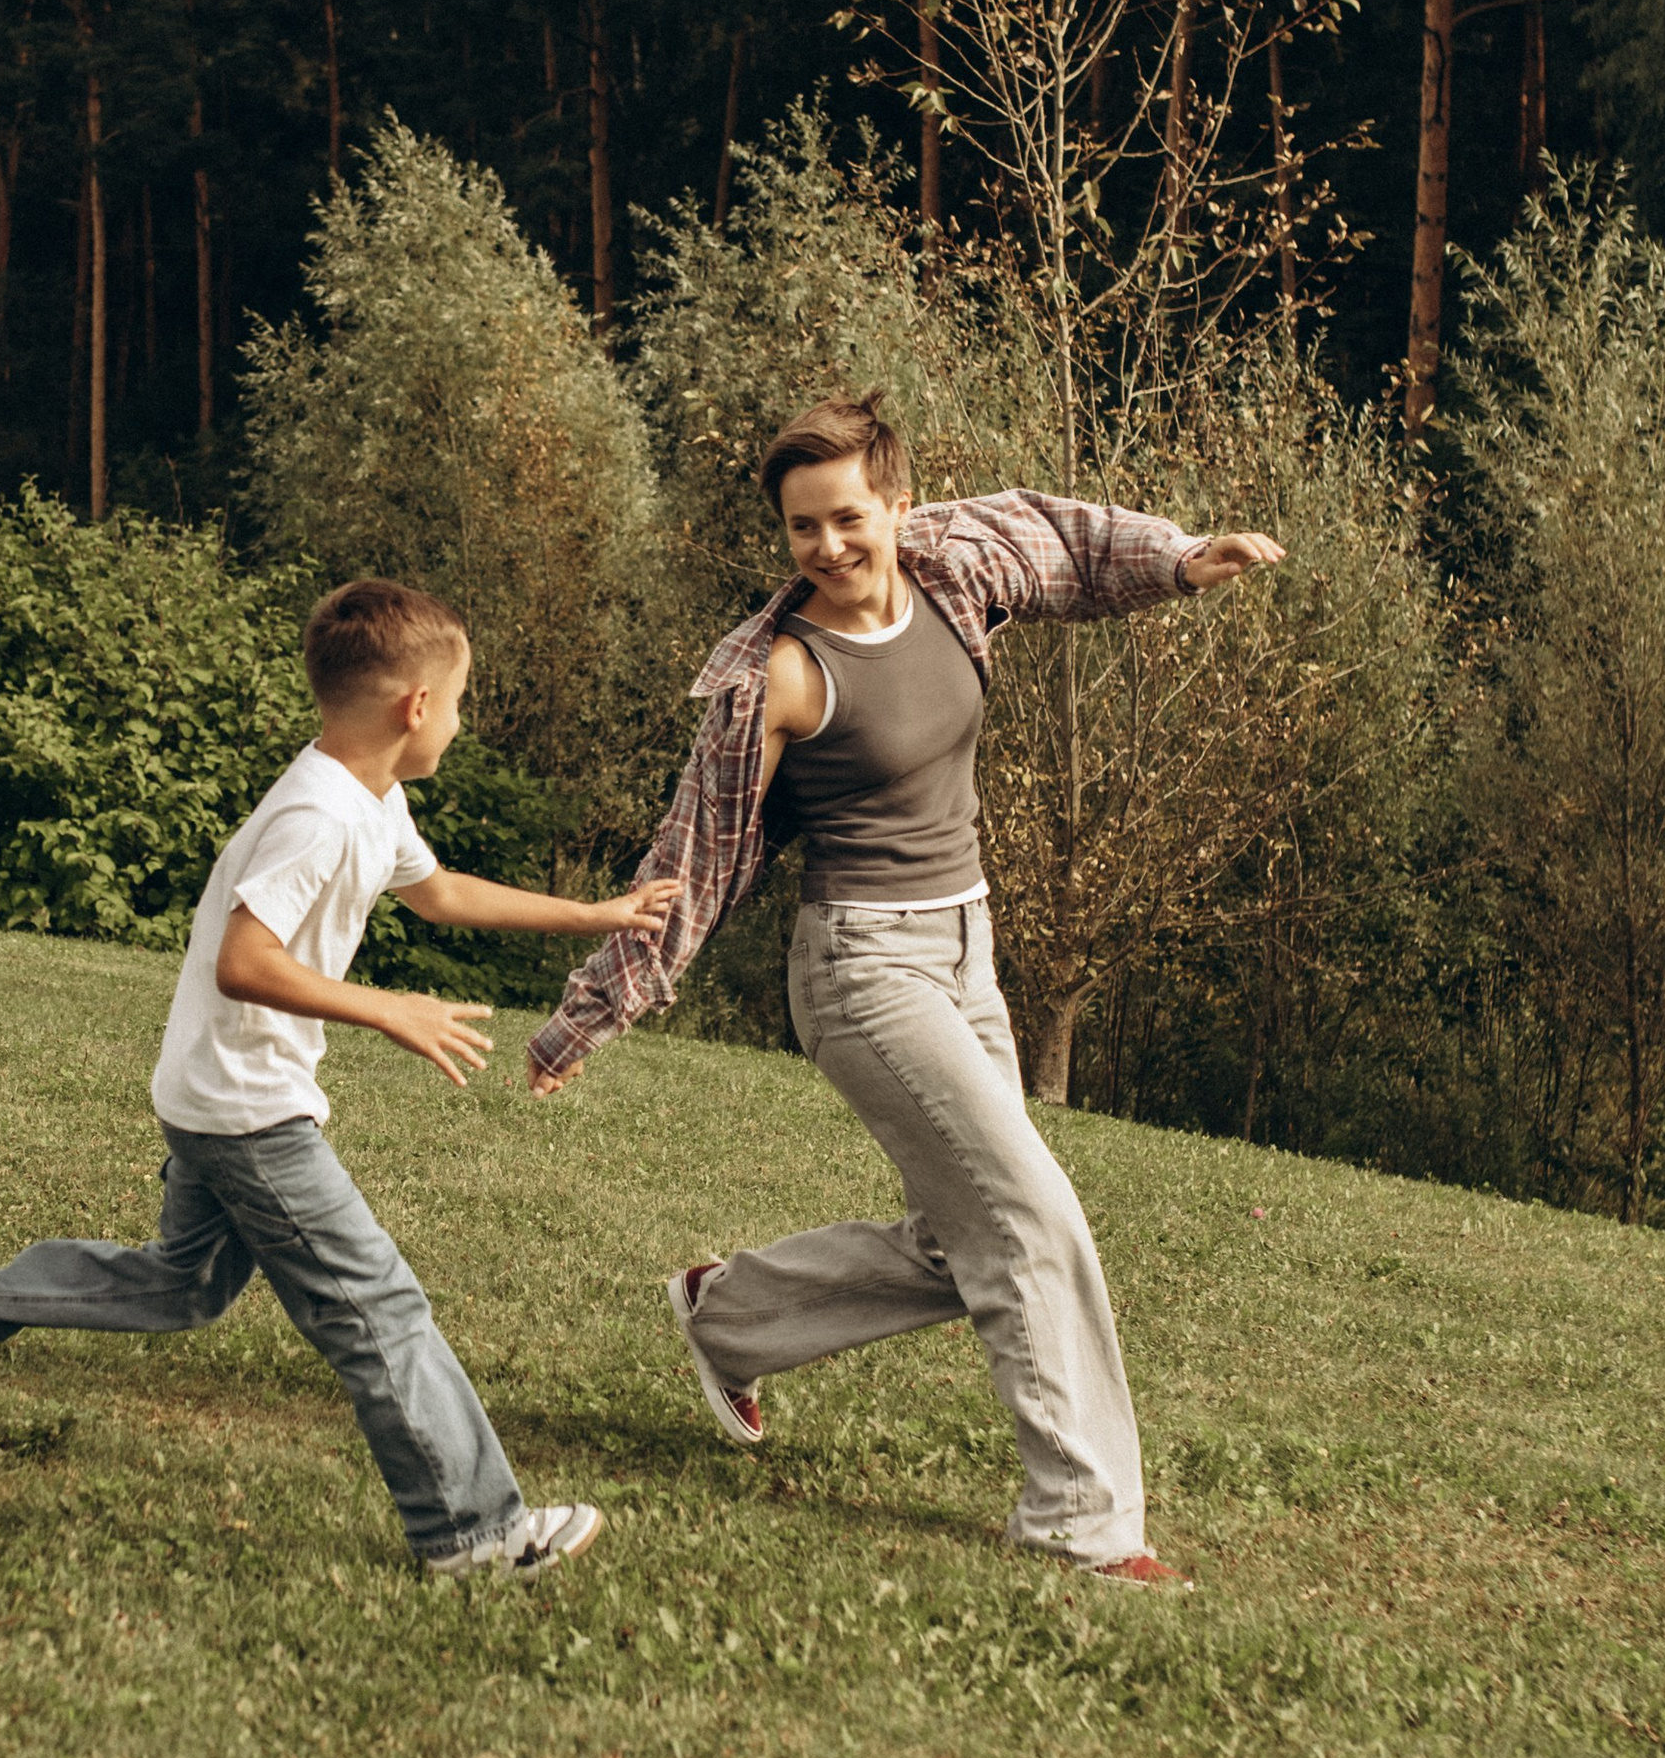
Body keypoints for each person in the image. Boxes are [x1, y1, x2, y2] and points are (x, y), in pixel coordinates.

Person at [525, 395, 1287, 1586]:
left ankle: (726, 1315)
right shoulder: (777, 677)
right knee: (1028, 1210)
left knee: (967, 1234)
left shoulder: (953, 564)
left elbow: (1063, 538)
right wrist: (594, 1008)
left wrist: (1181, 560)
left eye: (846, 518)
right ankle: (1080, 1523)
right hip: (862, 971)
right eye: (800, 529)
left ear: (894, 499)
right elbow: (696, 857)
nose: (828, 548)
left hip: (964, 946)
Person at [0, 576, 675, 1580]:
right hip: (249, 1111)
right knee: (377, 1306)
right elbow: (246, 960)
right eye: (462, 700)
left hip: (218, 1090)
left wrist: (597, 913)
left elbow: (433, 893)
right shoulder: (317, 815)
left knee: (181, 1285)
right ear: (416, 706)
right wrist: (388, 1006)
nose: (463, 722)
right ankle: (475, 1531)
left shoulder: (368, 796)